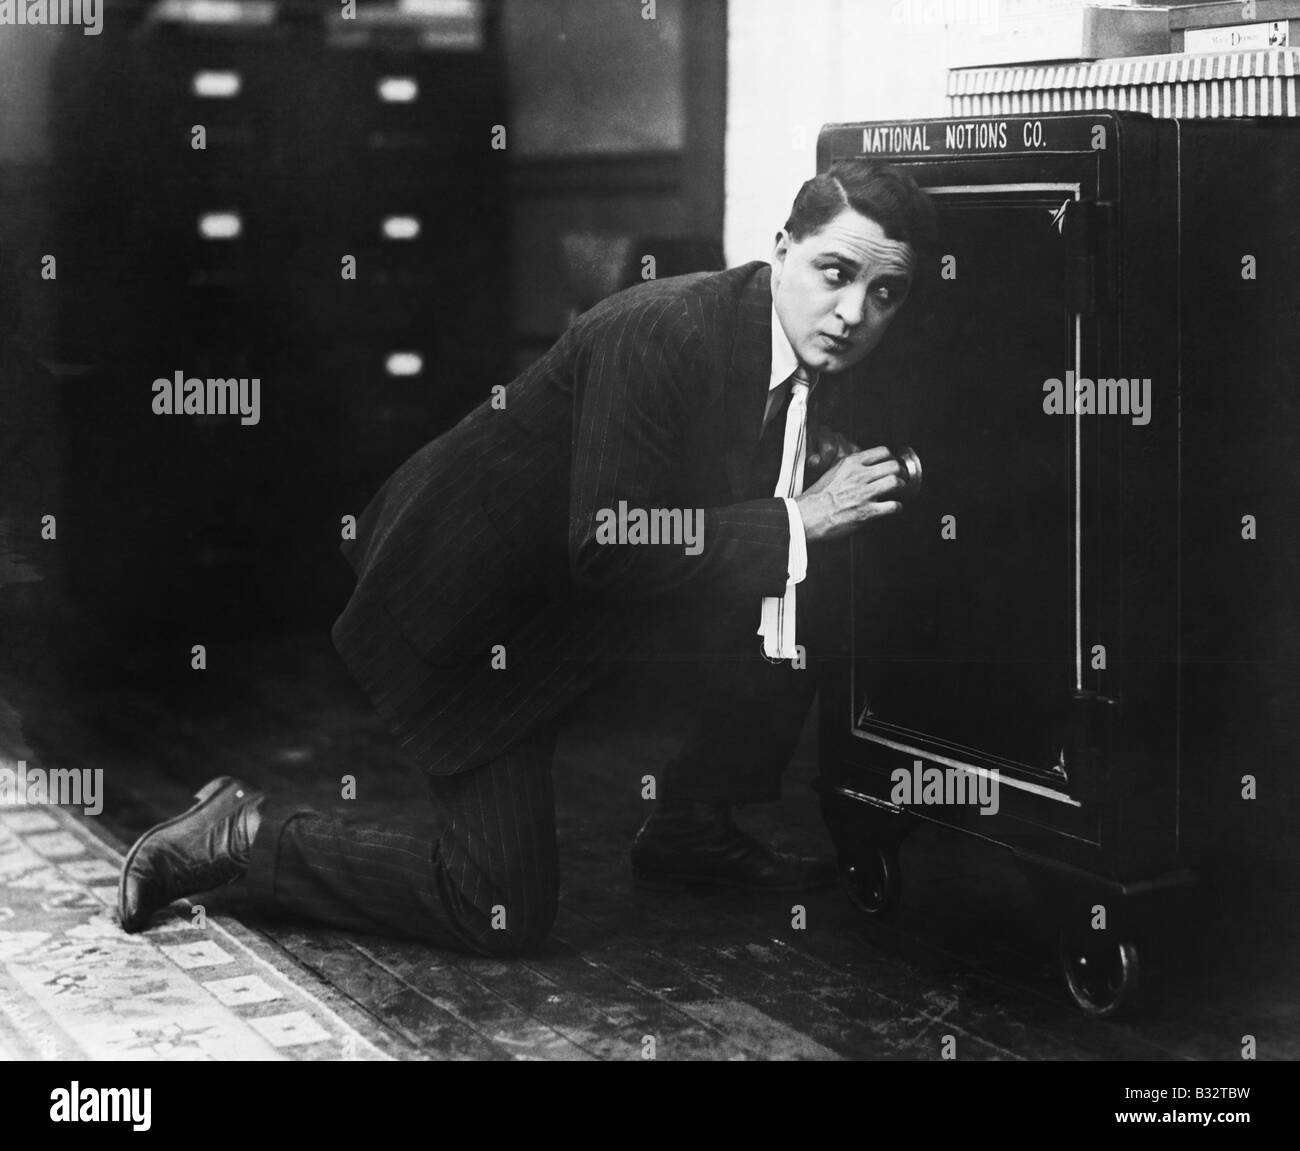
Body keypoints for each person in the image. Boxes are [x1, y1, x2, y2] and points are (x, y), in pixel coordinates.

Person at [118, 160, 937, 956]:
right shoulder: (666, 330)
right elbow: (614, 543)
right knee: (500, 910)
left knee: (819, 574)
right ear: (784, 249)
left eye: (884, 293)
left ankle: (692, 823)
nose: (853, 313)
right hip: (474, 606)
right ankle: (243, 834)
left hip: (584, 605)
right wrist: (801, 511)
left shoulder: (792, 341)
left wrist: (805, 499)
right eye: (835, 272)